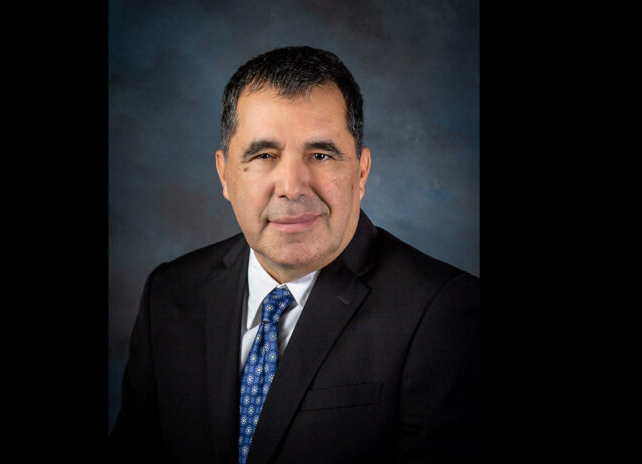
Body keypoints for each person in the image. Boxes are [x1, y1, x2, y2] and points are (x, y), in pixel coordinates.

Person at [110, 46, 480, 463]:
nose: (291, 186)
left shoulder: (443, 313)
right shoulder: (169, 293)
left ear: (360, 172)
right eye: (264, 155)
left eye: (320, 155)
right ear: (225, 174)